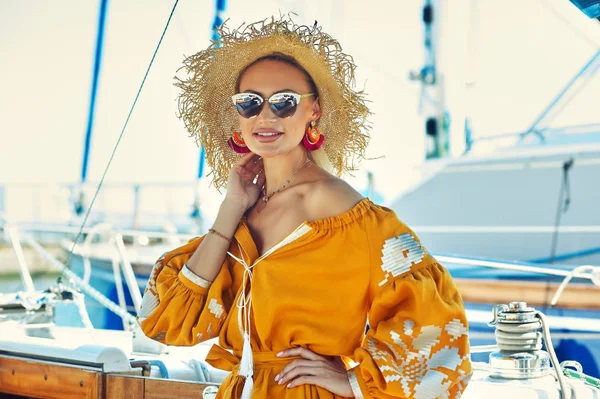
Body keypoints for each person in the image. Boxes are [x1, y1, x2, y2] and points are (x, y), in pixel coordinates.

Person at [138, 16, 471, 399]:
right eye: (250, 103)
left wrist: (352, 381)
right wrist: (230, 209)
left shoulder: (337, 206)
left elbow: (436, 320)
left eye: (284, 102)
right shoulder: (247, 206)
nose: (265, 116)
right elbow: (167, 319)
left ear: (314, 110)